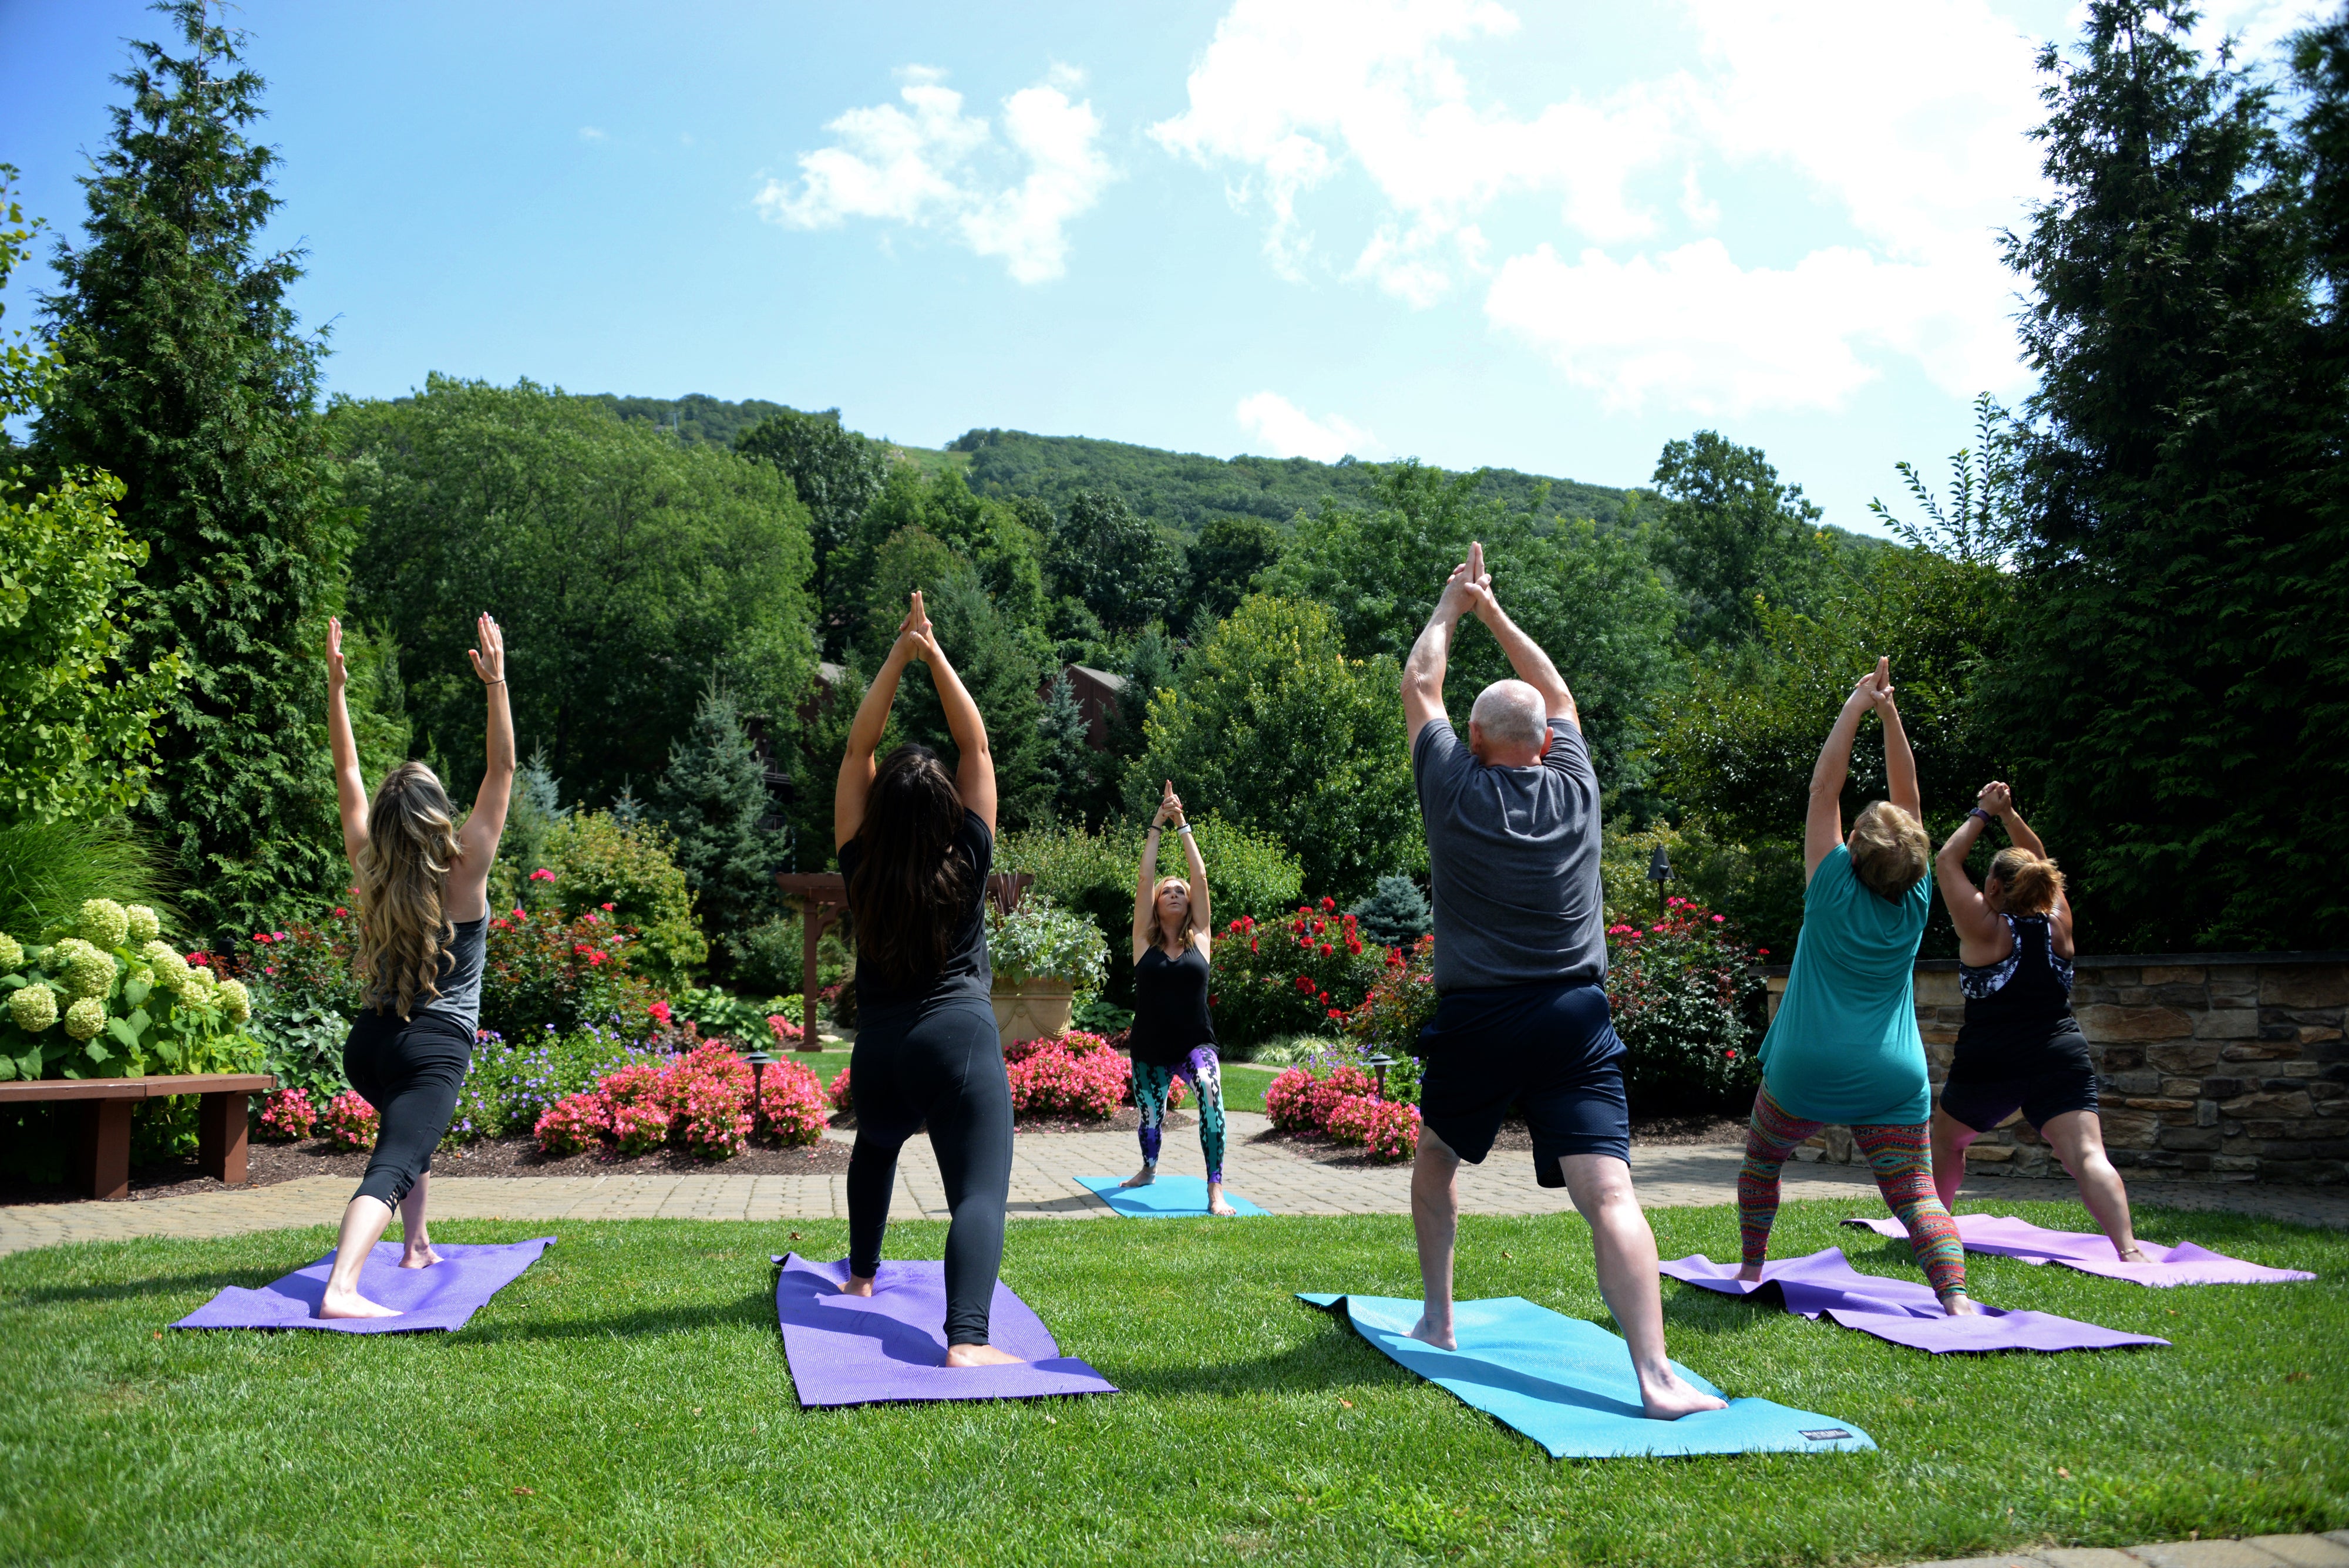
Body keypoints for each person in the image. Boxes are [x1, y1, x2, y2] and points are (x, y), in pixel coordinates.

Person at [1399, 542, 1725, 1420]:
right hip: (1575, 1013)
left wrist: (1450, 606)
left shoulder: (1454, 787)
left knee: (1436, 1162)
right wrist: (1498, 614)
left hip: (1478, 1016)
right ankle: (1657, 1376)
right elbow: (1562, 695)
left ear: (1472, 743)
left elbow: (1420, 686)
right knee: (1609, 1191)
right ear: (1545, 741)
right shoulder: (1576, 784)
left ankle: (1438, 1318)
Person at [1736, 658, 1978, 1315]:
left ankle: (1750, 1267)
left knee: (1762, 1163)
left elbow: (1823, 788)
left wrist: (1856, 705)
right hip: (1890, 1076)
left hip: (1805, 1067)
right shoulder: (1916, 897)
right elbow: (1913, 797)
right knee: (1916, 1194)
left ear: (1853, 847)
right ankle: (1954, 1300)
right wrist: (1891, 713)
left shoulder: (1830, 885)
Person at [834, 592, 1022, 1367]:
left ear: (878, 807)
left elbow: (855, 752)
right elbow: (975, 748)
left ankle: (862, 1278)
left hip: (878, 1052)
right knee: (977, 1193)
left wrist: (896, 656)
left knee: (876, 1145)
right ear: (948, 808)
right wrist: (932, 651)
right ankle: (968, 1341)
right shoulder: (967, 857)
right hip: (957, 1040)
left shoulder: (862, 862)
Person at [318, 613, 513, 1318]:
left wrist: (335, 690)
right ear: (437, 818)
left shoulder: (371, 866)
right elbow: (503, 769)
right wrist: (496, 683)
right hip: (431, 1047)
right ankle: (342, 1289)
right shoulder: (464, 876)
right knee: (396, 1160)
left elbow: (347, 772)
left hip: (368, 1045)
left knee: (406, 1133)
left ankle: (417, 1243)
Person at [1933, 782, 2148, 1261]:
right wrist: (2010, 815)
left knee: (1947, 1141)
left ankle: (1933, 1237)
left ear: (1992, 888)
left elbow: (1946, 861)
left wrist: (1984, 813)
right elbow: (2040, 859)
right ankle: (2129, 1251)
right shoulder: (2059, 921)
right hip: (2059, 1052)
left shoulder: (1983, 925)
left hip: (1992, 1058)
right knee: (2088, 1155)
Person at [1119, 779, 1236, 1216]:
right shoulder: (1141, 943)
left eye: (1180, 892)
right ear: (1156, 901)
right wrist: (1156, 823)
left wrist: (1181, 822)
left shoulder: (1200, 938)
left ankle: (1215, 1190)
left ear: (1189, 905)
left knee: (1209, 1091)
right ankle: (1149, 1168)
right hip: (1149, 1048)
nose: (1174, 892)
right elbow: (1145, 875)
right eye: (1168, 890)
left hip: (1194, 1043)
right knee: (1151, 1118)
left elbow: (1200, 876)